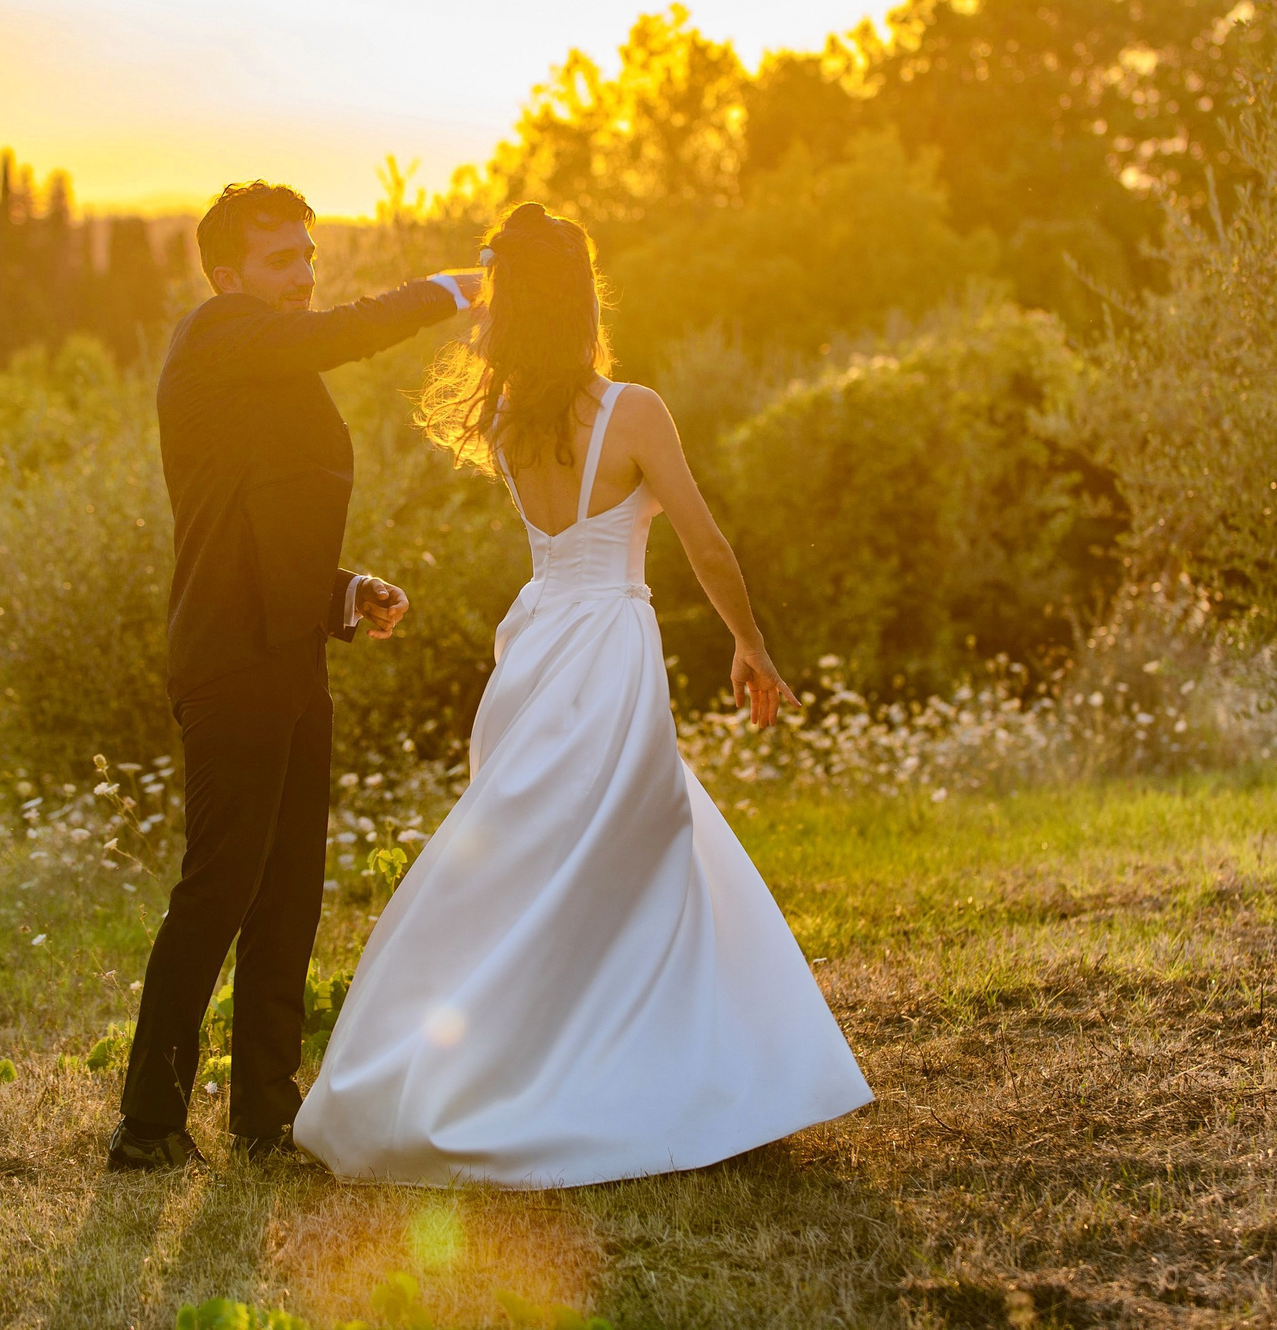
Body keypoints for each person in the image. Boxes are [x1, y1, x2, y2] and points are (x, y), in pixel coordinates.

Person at [293, 202, 872, 1187]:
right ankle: (637, 1073)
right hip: (607, 641)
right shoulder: (633, 411)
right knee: (629, 847)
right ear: (584, 301)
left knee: (540, 851)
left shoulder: (506, 419)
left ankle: (543, 1054)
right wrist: (748, 641)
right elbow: (704, 542)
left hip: (535, 646)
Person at [107, 181, 481, 1171]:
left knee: (288, 895)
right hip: (229, 660)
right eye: (282, 260)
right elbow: (339, 334)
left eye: (310, 256)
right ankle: (147, 1125)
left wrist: (345, 591)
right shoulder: (216, 336)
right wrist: (447, 289)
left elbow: (259, 519)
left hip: (290, 653)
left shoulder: (265, 366)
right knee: (219, 889)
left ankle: (265, 1120)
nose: (304, 275)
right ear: (226, 276)